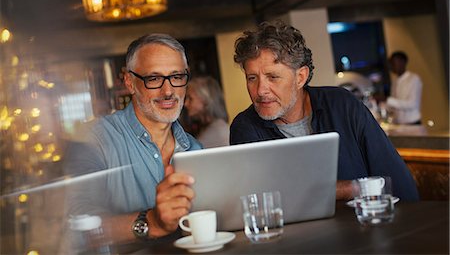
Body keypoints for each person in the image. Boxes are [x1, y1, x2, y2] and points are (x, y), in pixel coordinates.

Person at [229, 20, 419, 201]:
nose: (260, 90)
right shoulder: (245, 127)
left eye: (272, 77)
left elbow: (397, 181)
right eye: (252, 78)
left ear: (300, 77)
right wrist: (349, 189)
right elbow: (265, 199)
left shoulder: (342, 105)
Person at [64, 34, 202, 246]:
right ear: (130, 83)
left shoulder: (196, 148)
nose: (168, 91)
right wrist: (151, 222)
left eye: (176, 77)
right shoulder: (96, 139)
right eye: (153, 79)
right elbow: (78, 226)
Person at [184, 76, 230, 148]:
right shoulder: (208, 128)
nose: (185, 104)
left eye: (190, 98)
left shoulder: (217, 132)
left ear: (206, 100)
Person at [386, 51, 423, 125]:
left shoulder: (413, 79)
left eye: (393, 63)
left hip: (412, 123)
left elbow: (412, 104)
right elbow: (394, 105)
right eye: (390, 64)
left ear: (402, 62)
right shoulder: (395, 81)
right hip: (399, 123)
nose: (391, 67)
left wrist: (388, 100)